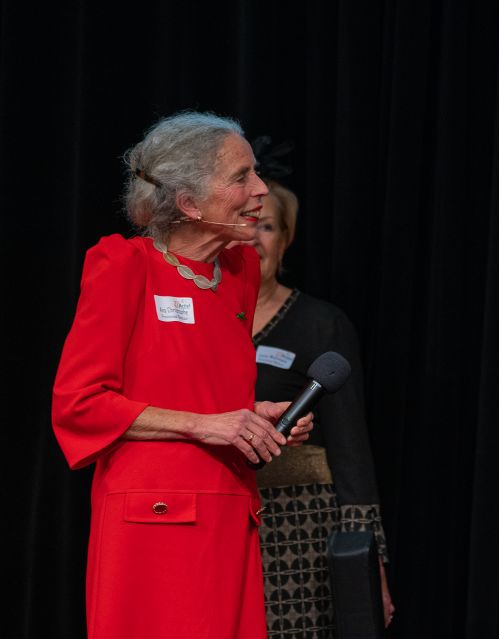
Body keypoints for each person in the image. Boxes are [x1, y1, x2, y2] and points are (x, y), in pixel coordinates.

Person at [51, 112, 313, 639]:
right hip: (154, 520)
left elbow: (202, 394)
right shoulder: (125, 266)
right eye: (241, 177)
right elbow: (79, 403)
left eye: (255, 173)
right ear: (190, 203)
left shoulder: (237, 272)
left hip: (230, 510)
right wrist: (205, 425)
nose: (261, 189)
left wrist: (252, 419)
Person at [246, 137, 395, 637]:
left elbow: (352, 452)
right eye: (247, 224)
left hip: (300, 528)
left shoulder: (321, 324)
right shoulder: (204, 320)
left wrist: (369, 557)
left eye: (267, 226)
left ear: (286, 239)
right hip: (221, 517)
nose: (254, 238)